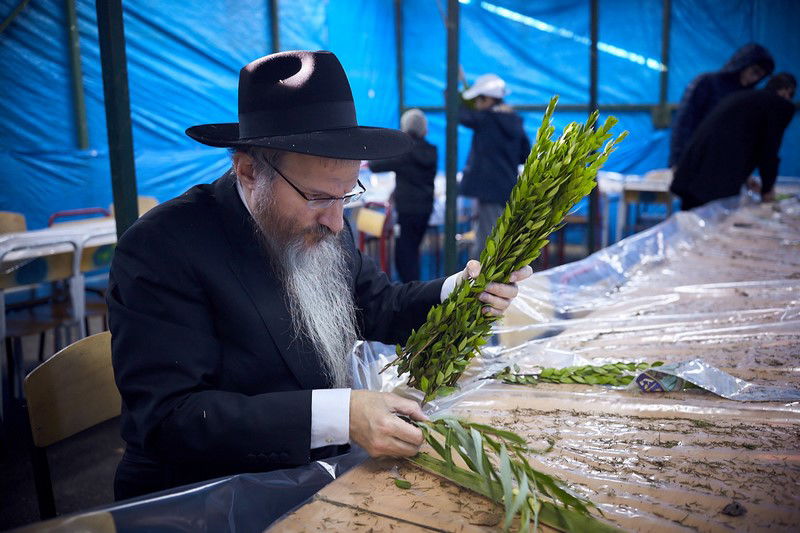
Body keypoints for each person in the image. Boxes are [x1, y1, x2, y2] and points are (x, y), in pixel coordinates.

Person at [107, 50, 532, 500]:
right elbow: (173, 418)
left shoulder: (326, 220)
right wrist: (342, 414)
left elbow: (379, 305)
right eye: (316, 197)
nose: (334, 222)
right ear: (249, 171)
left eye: (346, 197)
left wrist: (460, 291)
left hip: (315, 478)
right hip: (206, 499)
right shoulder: (163, 247)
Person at [670, 73, 796, 210]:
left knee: (691, 222)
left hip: (692, 173)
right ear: (786, 91)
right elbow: (769, 150)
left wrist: (746, 178)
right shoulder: (777, 105)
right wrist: (767, 190)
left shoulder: (745, 98)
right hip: (712, 182)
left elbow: (734, 140)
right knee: (710, 222)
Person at [459, 74, 531, 259]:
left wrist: (454, 89)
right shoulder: (514, 121)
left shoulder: (486, 119)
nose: (476, 105)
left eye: (478, 99)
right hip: (508, 188)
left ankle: (475, 285)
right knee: (499, 237)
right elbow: (525, 155)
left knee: (486, 243)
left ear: (488, 99)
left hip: (489, 191)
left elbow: (461, 114)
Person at [669, 43, 774, 168]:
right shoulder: (707, 83)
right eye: (754, 71)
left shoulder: (749, 96)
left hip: (726, 167)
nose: (755, 78)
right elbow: (684, 123)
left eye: (761, 75)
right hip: (696, 161)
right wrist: (678, 160)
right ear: (743, 65)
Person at [368, 109, 437, 282]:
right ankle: (416, 290)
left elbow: (376, 165)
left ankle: (412, 296)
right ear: (425, 130)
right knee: (413, 251)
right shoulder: (432, 152)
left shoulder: (405, 152)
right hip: (425, 209)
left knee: (404, 256)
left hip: (407, 211)